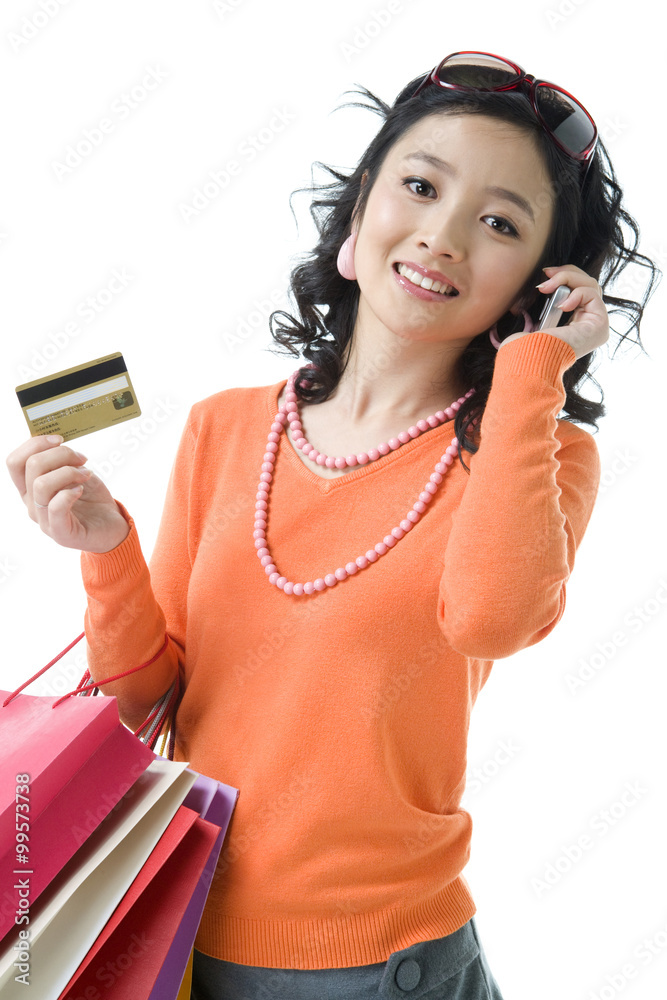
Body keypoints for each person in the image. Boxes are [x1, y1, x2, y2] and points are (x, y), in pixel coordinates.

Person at [6, 51, 660, 999]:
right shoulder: (225, 427)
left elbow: (491, 620)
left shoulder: (538, 457)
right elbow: (149, 695)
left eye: (498, 223)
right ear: (358, 215)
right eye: (421, 186)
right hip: (175, 932)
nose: (442, 236)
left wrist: (534, 367)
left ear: (535, 286)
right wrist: (107, 552)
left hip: (382, 965)